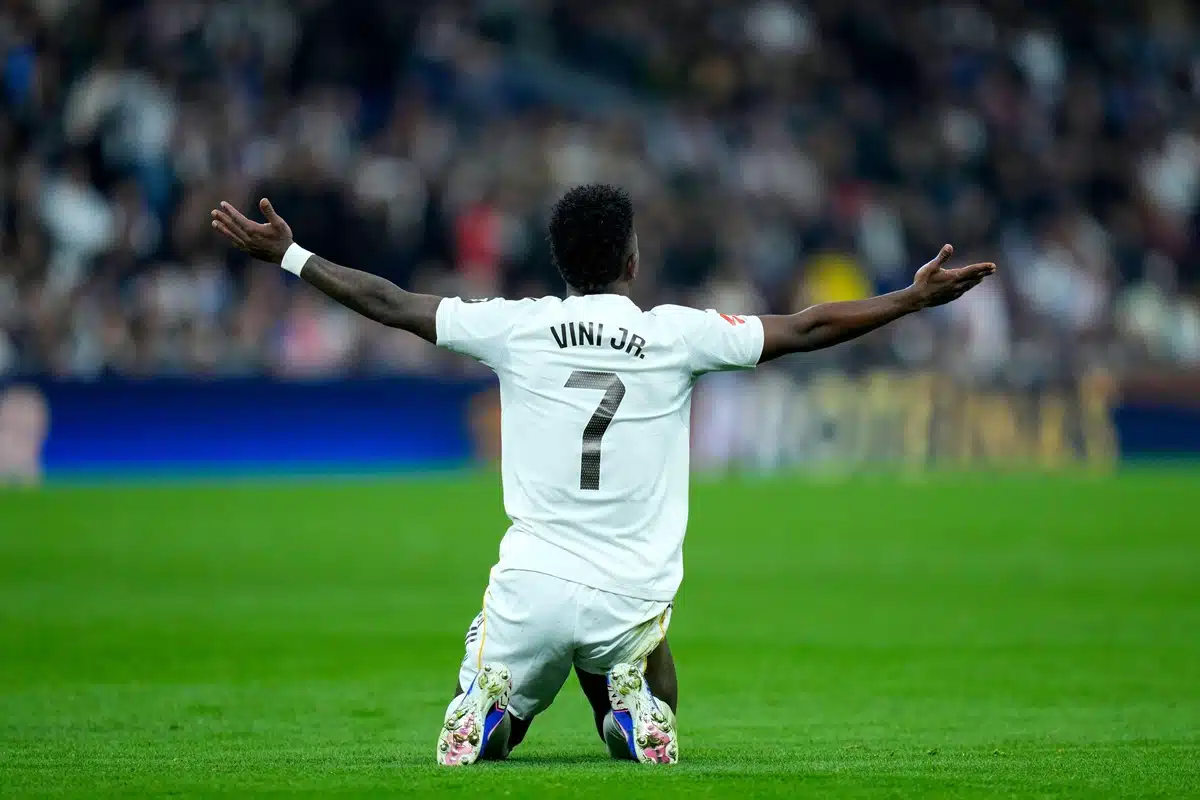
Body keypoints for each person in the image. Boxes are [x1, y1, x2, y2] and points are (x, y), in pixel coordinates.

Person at [210, 185, 995, 766]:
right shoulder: (676, 337)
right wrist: (911, 300)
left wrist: (288, 252)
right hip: (631, 592)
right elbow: (808, 326)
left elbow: (390, 302)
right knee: (646, 667)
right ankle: (631, 704)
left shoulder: (514, 327)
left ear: (560, 262)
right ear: (632, 259)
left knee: (505, 695)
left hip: (531, 586)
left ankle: (491, 709)